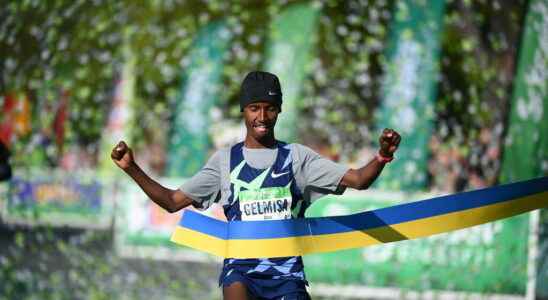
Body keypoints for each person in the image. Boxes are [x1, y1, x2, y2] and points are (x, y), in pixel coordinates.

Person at [111, 71, 401, 300]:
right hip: (241, 272)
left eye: (270, 109)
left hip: (287, 276)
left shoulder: (297, 158)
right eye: (254, 108)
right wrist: (131, 168)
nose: (262, 117)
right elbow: (172, 201)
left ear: (279, 111)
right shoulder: (225, 161)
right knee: (235, 282)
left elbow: (359, 180)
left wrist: (383, 156)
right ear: (243, 111)